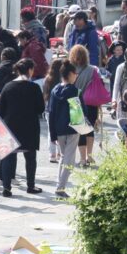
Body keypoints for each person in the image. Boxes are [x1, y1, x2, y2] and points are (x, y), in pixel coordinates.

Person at [0, 59, 45, 195]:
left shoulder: (7, 87)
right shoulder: (34, 87)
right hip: (29, 126)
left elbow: (1, 111)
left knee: (8, 157)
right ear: (29, 70)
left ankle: (6, 187)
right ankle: (31, 186)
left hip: (11, 126)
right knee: (30, 157)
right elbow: (41, 108)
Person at [47, 61, 79, 198]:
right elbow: (78, 111)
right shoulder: (74, 90)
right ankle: (60, 187)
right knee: (69, 160)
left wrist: (52, 133)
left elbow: (51, 112)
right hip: (72, 128)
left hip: (59, 129)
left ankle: (59, 185)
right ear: (71, 74)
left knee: (63, 156)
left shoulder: (55, 90)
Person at [69, 45, 101, 167]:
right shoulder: (93, 69)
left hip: (75, 102)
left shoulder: (70, 69)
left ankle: (82, 158)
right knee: (90, 129)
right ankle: (90, 156)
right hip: (91, 102)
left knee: (81, 130)